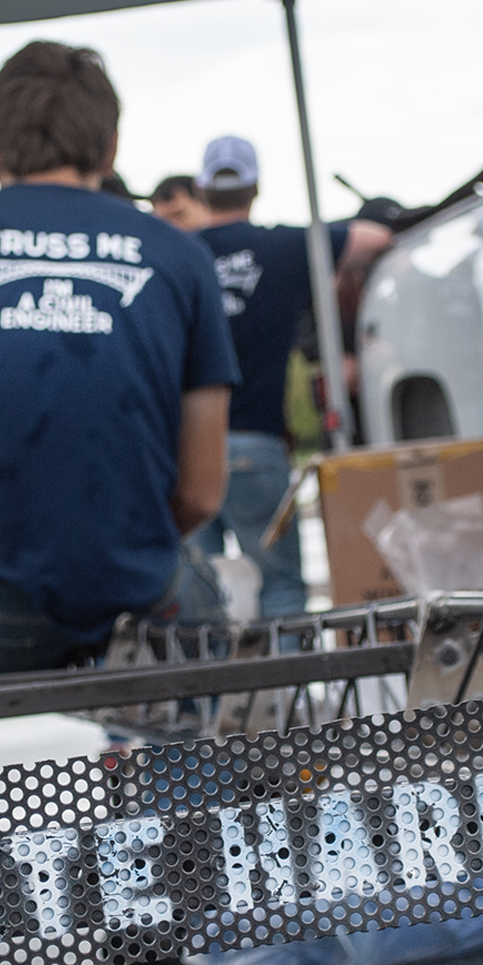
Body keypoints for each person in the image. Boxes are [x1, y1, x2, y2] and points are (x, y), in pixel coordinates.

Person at [0, 40, 238, 965]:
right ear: (108, 141)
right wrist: (115, 545)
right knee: (167, 697)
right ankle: (151, 935)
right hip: (137, 579)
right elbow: (202, 487)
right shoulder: (178, 255)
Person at [192, 136, 393, 616]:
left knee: (199, 596)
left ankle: (211, 691)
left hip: (187, 447)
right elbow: (376, 238)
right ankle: (286, 693)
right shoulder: (284, 246)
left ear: (202, 190)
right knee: (279, 586)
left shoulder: (181, 252)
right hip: (256, 443)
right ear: (255, 188)